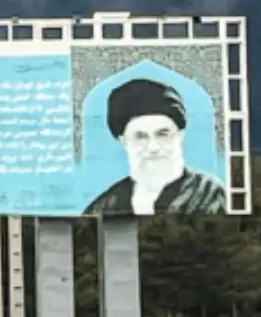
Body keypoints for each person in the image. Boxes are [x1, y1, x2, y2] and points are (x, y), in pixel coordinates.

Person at [85, 77, 226, 216]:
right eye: (140, 137)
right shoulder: (105, 205)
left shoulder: (209, 193)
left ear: (180, 136)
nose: (153, 147)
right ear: (123, 141)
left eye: (162, 134)